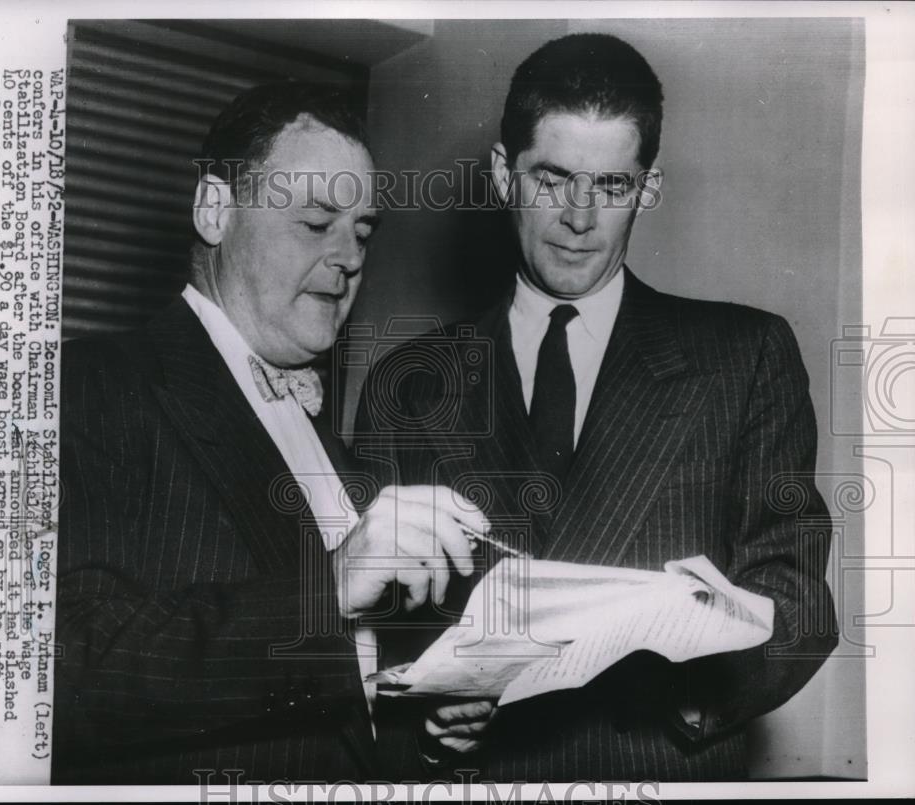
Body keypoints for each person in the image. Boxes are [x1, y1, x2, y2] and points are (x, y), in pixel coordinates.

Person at [354, 33, 838, 781]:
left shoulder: (744, 357)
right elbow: (368, 633)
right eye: (552, 179)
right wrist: (425, 720)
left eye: (612, 187)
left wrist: (670, 696)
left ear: (648, 187)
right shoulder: (407, 383)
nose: (580, 218)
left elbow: (798, 602)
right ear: (501, 175)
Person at [52, 82, 492, 784]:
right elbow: (63, 670)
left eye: (364, 230)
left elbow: (342, 717)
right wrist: (329, 587)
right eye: (317, 223)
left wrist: (429, 724)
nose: (350, 257)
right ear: (214, 210)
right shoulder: (91, 384)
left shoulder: (339, 455)